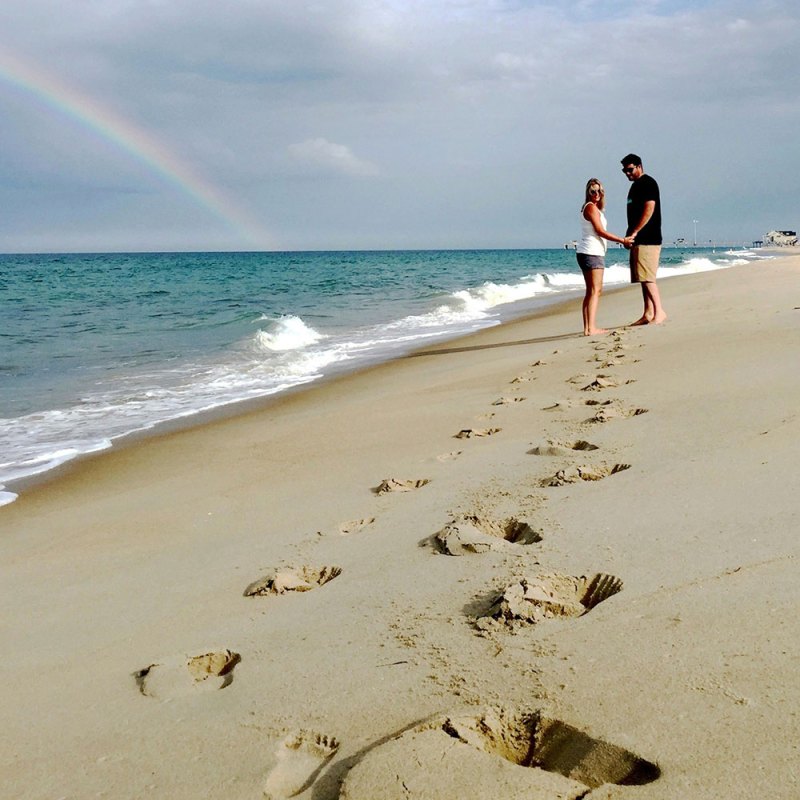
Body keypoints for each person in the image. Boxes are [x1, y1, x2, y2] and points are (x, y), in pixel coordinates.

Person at [576, 178, 632, 336]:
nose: (596, 194)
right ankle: (591, 327)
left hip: (588, 252)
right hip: (591, 252)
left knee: (591, 291)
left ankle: (588, 328)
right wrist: (622, 240)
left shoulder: (594, 208)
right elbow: (600, 231)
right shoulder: (591, 208)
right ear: (588, 193)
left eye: (599, 191)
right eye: (593, 191)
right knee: (595, 290)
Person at [621, 153, 667, 325]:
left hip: (649, 237)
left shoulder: (648, 183)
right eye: (625, 171)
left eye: (630, 169)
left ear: (639, 166)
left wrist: (635, 232)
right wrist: (630, 235)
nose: (627, 173)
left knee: (648, 277)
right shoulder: (635, 186)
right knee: (642, 277)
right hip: (638, 239)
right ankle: (648, 313)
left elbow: (649, 208)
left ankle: (659, 311)